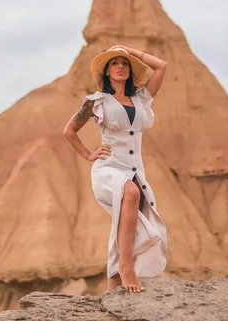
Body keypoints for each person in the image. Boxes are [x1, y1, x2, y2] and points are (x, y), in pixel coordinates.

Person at [63, 45, 167, 293]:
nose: (120, 66)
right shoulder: (96, 102)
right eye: (114, 63)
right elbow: (69, 131)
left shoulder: (141, 98)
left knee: (122, 223)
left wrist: (129, 51)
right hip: (108, 169)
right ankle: (126, 266)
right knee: (129, 194)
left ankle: (113, 285)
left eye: (124, 63)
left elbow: (161, 66)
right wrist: (89, 154)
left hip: (134, 171)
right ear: (106, 72)